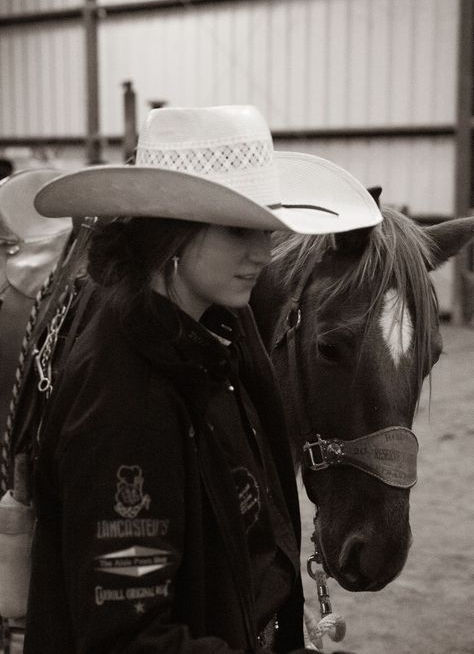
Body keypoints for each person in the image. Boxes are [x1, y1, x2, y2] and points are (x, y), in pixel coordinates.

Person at [23, 105, 381, 653]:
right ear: (173, 234)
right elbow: (129, 637)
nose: (264, 253)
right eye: (240, 229)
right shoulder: (124, 400)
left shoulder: (215, 344)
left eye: (268, 228)